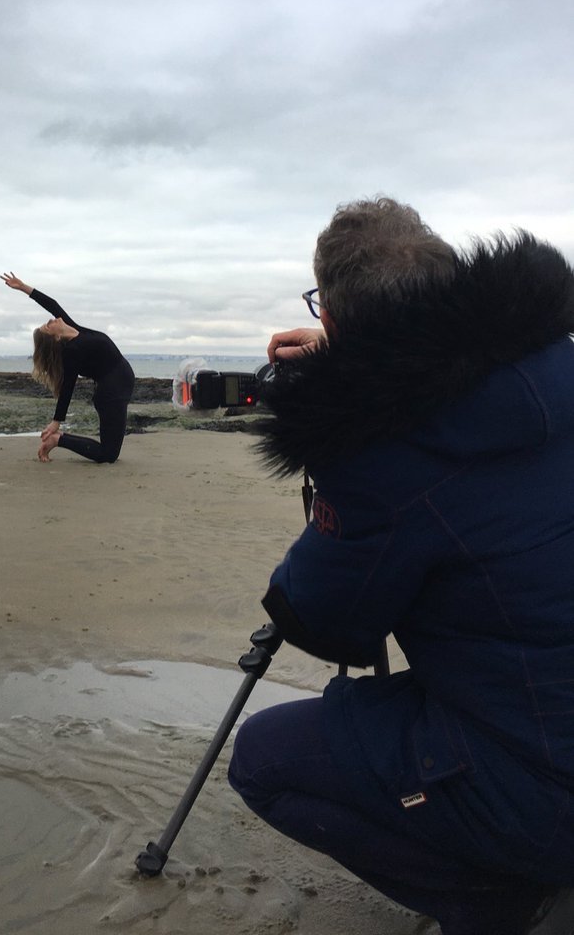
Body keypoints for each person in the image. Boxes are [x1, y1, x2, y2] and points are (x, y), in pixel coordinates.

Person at [227, 197, 574, 935]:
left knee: (263, 760)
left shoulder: (389, 455)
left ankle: (507, 907)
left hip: (549, 781)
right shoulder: (557, 365)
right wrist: (364, 369)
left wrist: (341, 417)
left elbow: (327, 622)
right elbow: (464, 380)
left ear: (334, 311)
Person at [1, 272, 135, 464]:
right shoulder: (73, 351)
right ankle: (58, 439)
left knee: (109, 451)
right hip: (111, 394)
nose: (49, 321)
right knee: (108, 455)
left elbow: (51, 304)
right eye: (47, 327)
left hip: (118, 390)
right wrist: (56, 421)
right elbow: (68, 386)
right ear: (55, 338)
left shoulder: (75, 329)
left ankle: (60, 439)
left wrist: (23, 287)